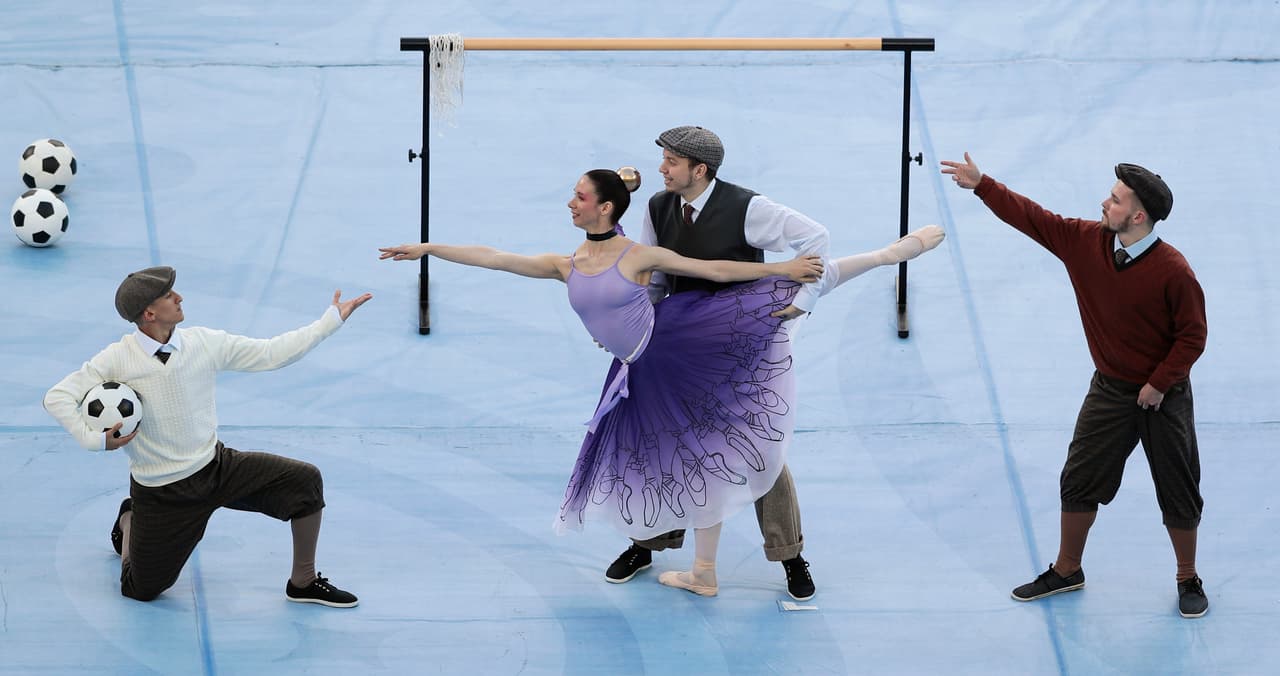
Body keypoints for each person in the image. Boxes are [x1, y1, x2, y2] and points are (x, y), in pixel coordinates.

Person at [380, 169, 943, 597]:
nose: (568, 203)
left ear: (602, 207)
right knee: (656, 457)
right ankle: (675, 559)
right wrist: (430, 249)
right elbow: (497, 258)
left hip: (690, 343)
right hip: (639, 366)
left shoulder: (643, 251)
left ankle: (889, 254)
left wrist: (782, 269)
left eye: (578, 197)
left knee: (748, 445)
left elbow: (717, 271)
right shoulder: (570, 259)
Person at [940, 153, 1209, 618]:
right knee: (1079, 477)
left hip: (1162, 397)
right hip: (1110, 390)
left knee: (1178, 487)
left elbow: (1193, 336)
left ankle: (1187, 577)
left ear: (1138, 216)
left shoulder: (1174, 271)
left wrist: (1160, 383)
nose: (1105, 203)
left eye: (1116, 199)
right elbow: (1034, 219)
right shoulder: (1086, 242)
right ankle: (1067, 569)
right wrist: (983, 185)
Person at [43, 266, 372, 606]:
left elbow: (272, 353)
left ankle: (303, 581)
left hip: (216, 468)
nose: (179, 297)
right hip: (161, 492)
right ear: (149, 313)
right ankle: (130, 520)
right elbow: (58, 396)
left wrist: (330, 321)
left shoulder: (204, 343)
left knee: (304, 482)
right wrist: (96, 440)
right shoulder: (115, 359)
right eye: (170, 295)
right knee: (140, 589)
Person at [614, 125, 835, 601]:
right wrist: (640, 328)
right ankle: (647, 544)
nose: (662, 169)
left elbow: (816, 237)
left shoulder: (748, 209)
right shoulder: (657, 205)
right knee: (664, 442)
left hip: (738, 346)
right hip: (679, 343)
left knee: (760, 447)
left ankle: (790, 555)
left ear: (700, 169)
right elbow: (656, 276)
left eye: (671, 161)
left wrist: (803, 301)